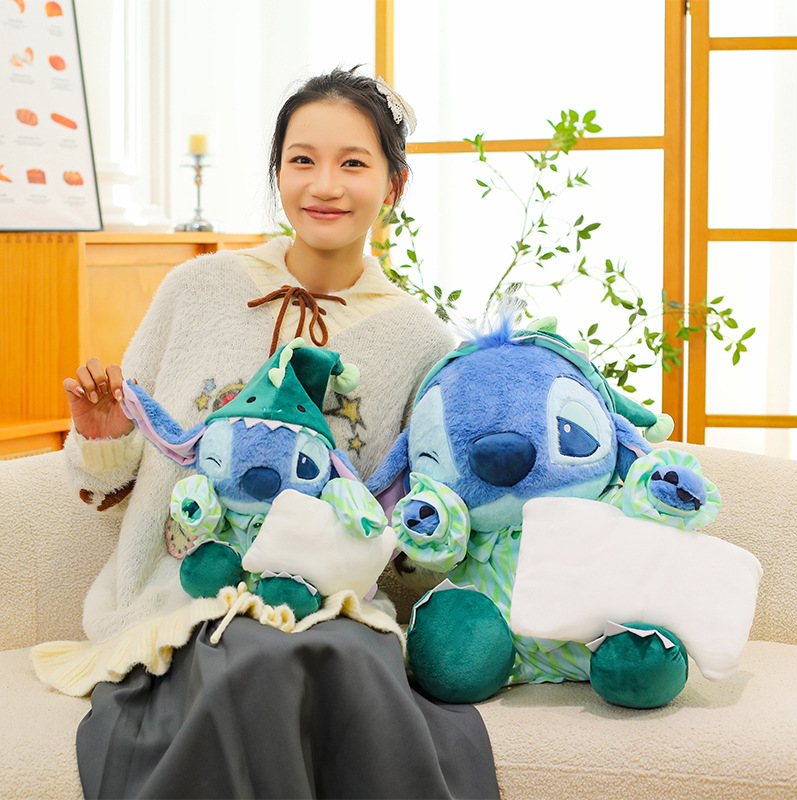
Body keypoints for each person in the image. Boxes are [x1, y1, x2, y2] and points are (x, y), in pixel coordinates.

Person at [58, 67, 501, 799]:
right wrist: (106, 436)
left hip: (332, 602)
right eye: (302, 160)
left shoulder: (420, 342)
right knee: (255, 657)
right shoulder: (198, 290)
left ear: (394, 184)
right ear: (277, 174)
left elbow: (409, 547)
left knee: (325, 657)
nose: (325, 185)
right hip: (187, 598)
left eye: (353, 163)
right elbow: (111, 482)